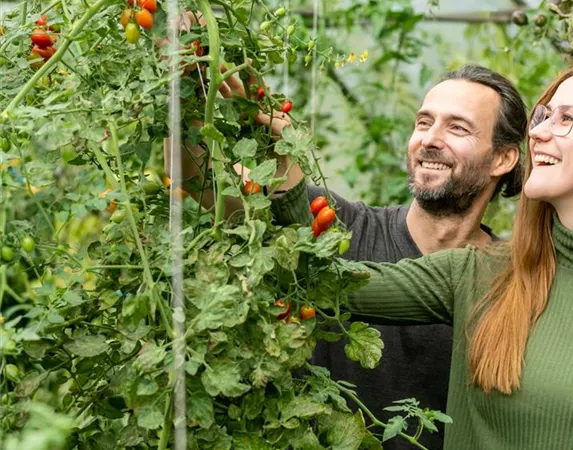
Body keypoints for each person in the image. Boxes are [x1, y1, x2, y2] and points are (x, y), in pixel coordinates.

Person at [290, 63, 573, 449]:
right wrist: (274, 157)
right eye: (541, 116)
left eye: (567, 118)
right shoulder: (479, 272)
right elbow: (321, 280)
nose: (538, 131)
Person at [166, 63, 526, 449]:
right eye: (423, 123)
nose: (430, 140)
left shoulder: (515, 281)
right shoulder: (334, 228)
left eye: (457, 128)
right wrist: (186, 76)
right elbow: (196, 178)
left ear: (502, 159)